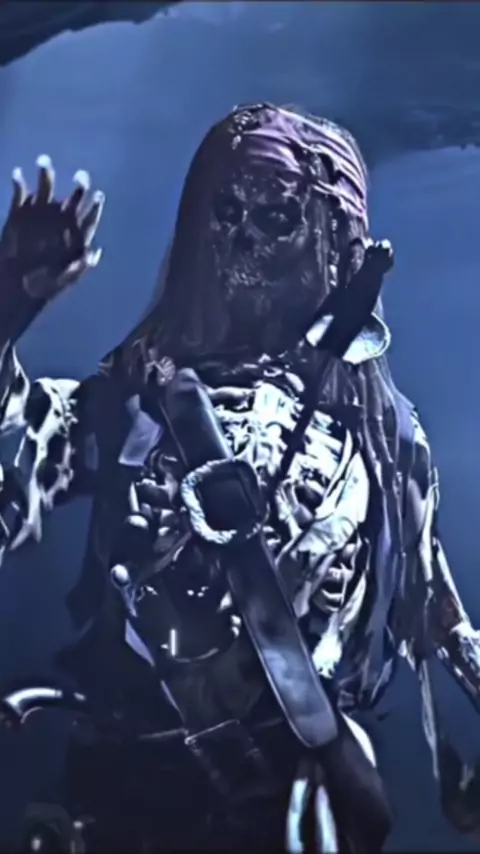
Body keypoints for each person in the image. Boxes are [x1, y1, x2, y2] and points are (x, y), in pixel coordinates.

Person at [0, 104, 479, 852]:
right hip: (131, 786)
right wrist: (9, 304)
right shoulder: (138, 402)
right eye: (225, 212)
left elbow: (431, 602)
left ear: (333, 237)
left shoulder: (384, 437)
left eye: (276, 217)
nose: (242, 239)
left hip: (297, 800)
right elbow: (19, 445)